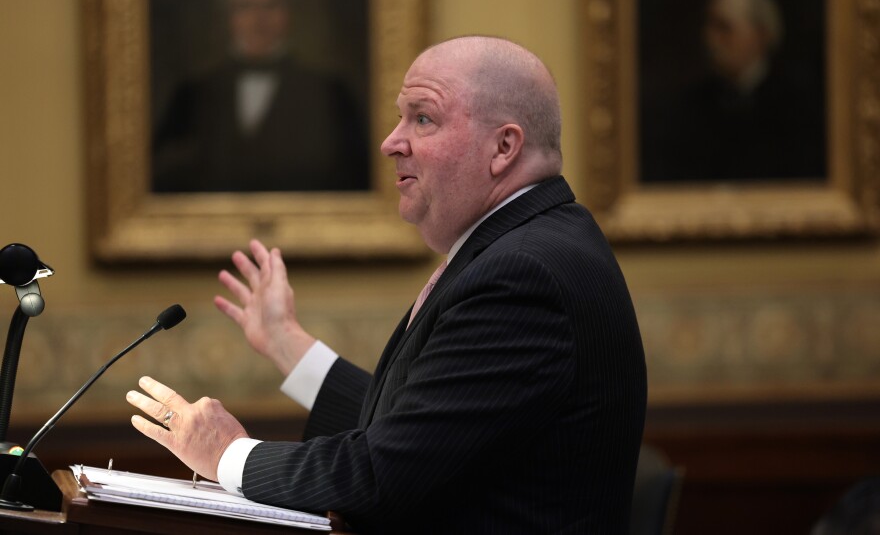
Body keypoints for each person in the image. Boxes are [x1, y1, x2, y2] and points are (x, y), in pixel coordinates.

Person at [127, 36, 647, 534]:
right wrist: (289, 346)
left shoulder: (523, 274)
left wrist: (227, 454)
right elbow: (424, 431)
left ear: (503, 147)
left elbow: (385, 475)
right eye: (401, 117)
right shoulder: (532, 244)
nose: (391, 142)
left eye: (422, 118)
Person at [151, 0, 368, 193]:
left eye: (271, 5)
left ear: (288, 12)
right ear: (228, 15)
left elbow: (355, 178)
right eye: (246, 6)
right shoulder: (193, 93)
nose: (259, 17)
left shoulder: (331, 93)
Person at [640, 0, 826, 183]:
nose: (709, 39)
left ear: (760, 35)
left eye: (724, 27)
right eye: (709, 26)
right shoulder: (686, 107)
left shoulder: (799, 107)